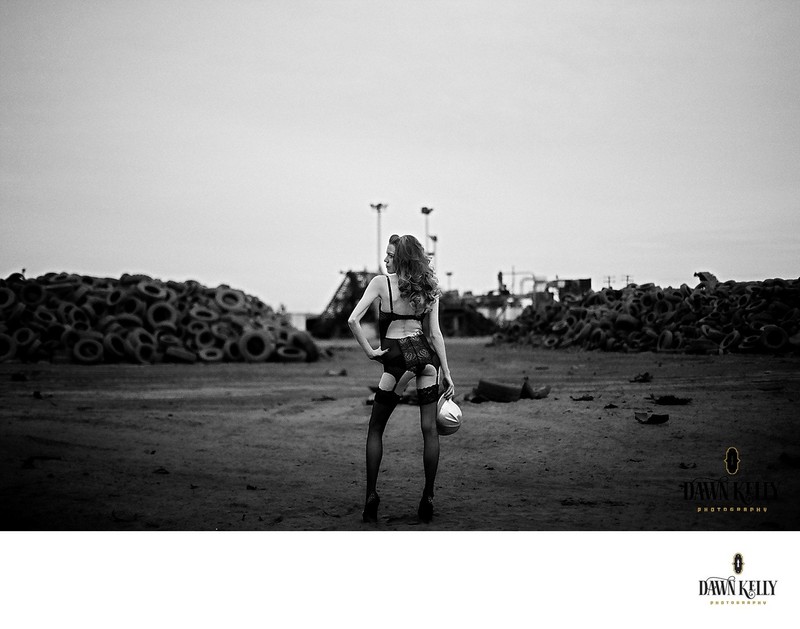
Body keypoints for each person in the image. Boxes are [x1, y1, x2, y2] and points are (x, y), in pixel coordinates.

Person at [348, 234, 455, 524]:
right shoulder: (428, 288)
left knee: (375, 429)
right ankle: (428, 498)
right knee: (429, 430)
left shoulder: (381, 283)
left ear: (402, 259)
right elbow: (434, 334)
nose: (385, 260)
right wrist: (446, 371)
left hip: (397, 362)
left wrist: (370, 352)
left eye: (390, 255)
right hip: (426, 361)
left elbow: (352, 320)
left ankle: (371, 496)